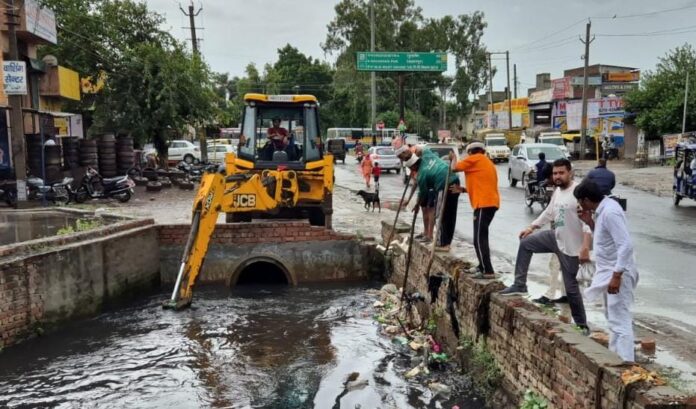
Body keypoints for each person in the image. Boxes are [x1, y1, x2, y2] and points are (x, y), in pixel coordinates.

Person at [499, 158, 591, 331]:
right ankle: (520, 284)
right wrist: (532, 226)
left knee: (571, 288)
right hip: (555, 237)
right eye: (555, 173)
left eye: (561, 173)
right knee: (526, 243)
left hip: (572, 247)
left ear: (570, 172)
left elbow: (588, 224)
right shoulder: (557, 191)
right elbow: (549, 212)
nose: (557, 177)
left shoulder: (578, 191)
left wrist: (585, 247)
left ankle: (581, 325)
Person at [575, 179, 638, 362]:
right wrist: (589, 222)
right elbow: (606, 238)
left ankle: (626, 363)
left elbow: (625, 245)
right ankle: (616, 358)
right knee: (612, 316)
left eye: (580, 202)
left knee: (620, 319)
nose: (580, 206)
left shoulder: (610, 212)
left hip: (618, 272)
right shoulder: (602, 211)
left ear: (586, 200)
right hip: (609, 271)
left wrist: (617, 276)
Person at [449, 141, 500, 278]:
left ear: (471, 152)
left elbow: (454, 168)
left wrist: (453, 158)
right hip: (487, 203)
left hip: (484, 204)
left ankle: (487, 270)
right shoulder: (485, 162)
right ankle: (482, 266)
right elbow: (481, 184)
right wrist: (463, 190)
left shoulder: (475, 159)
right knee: (480, 236)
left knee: (479, 238)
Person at [405, 150, 460, 251]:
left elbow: (423, 193)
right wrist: (415, 152)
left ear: (413, 167)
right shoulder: (427, 155)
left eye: (411, 169)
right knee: (451, 215)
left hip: (443, 185)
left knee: (440, 215)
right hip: (455, 180)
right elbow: (421, 149)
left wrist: (417, 205)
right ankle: (447, 243)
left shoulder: (421, 175)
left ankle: (442, 243)